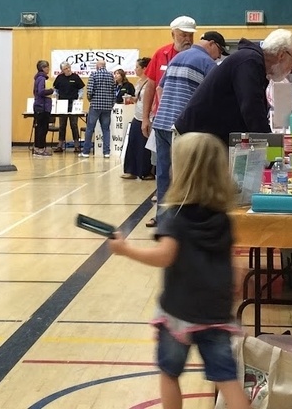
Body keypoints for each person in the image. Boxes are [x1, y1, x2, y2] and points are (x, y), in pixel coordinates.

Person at [107, 132, 250, 409]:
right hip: (216, 314)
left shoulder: (173, 217)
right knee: (227, 380)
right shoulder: (222, 218)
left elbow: (164, 256)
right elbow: (230, 262)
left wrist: (126, 250)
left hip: (178, 314)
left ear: (181, 171)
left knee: (169, 374)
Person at [145, 33, 225, 226]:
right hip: (181, 128)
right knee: (186, 177)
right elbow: (213, 100)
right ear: (212, 45)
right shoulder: (208, 64)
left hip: (161, 123)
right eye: (219, 52)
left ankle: (164, 221)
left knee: (163, 175)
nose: (218, 57)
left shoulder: (177, 57)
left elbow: (159, 88)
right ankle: (182, 224)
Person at [174, 28, 292, 146]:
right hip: (194, 140)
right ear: (281, 55)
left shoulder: (255, 64)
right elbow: (252, 110)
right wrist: (272, 148)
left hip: (204, 137)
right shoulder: (249, 61)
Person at [139, 16, 197, 140]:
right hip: (161, 118)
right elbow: (150, 87)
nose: (188, 39)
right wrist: (145, 118)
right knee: (159, 159)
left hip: (187, 120)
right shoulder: (160, 54)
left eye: (190, 35)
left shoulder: (198, 58)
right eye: (183, 35)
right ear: (173, 34)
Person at [122, 56, 154, 180]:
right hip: (137, 116)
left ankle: (146, 171)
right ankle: (131, 170)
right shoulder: (139, 82)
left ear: (145, 68)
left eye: (137, 67)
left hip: (147, 117)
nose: (135, 69)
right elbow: (140, 99)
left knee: (145, 146)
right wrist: (132, 99)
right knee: (133, 143)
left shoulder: (151, 82)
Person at [82, 59, 116, 158]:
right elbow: (114, 91)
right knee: (106, 129)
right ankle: (106, 152)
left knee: (89, 129)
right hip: (107, 106)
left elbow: (90, 90)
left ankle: (86, 152)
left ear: (98, 66)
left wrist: (90, 99)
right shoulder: (111, 75)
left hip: (96, 105)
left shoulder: (94, 74)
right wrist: (111, 103)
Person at [51, 62, 85, 152]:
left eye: (69, 67)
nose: (68, 69)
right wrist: (55, 96)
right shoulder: (59, 78)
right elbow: (56, 89)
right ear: (62, 70)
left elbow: (81, 89)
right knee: (62, 125)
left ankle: (77, 145)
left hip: (73, 103)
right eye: (66, 68)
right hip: (62, 103)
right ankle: (60, 145)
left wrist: (80, 97)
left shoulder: (75, 77)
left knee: (74, 124)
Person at [31, 60, 55, 157]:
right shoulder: (42, 79)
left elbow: (35, 92)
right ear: (43, 68)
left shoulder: (38, 78)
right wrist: (51, 90)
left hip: (39, 105)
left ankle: (38, 147)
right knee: (42, 128)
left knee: (39, 128)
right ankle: (41, 148)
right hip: (42, 107)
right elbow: (41, 91)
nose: (48, 69)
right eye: (47, 67)